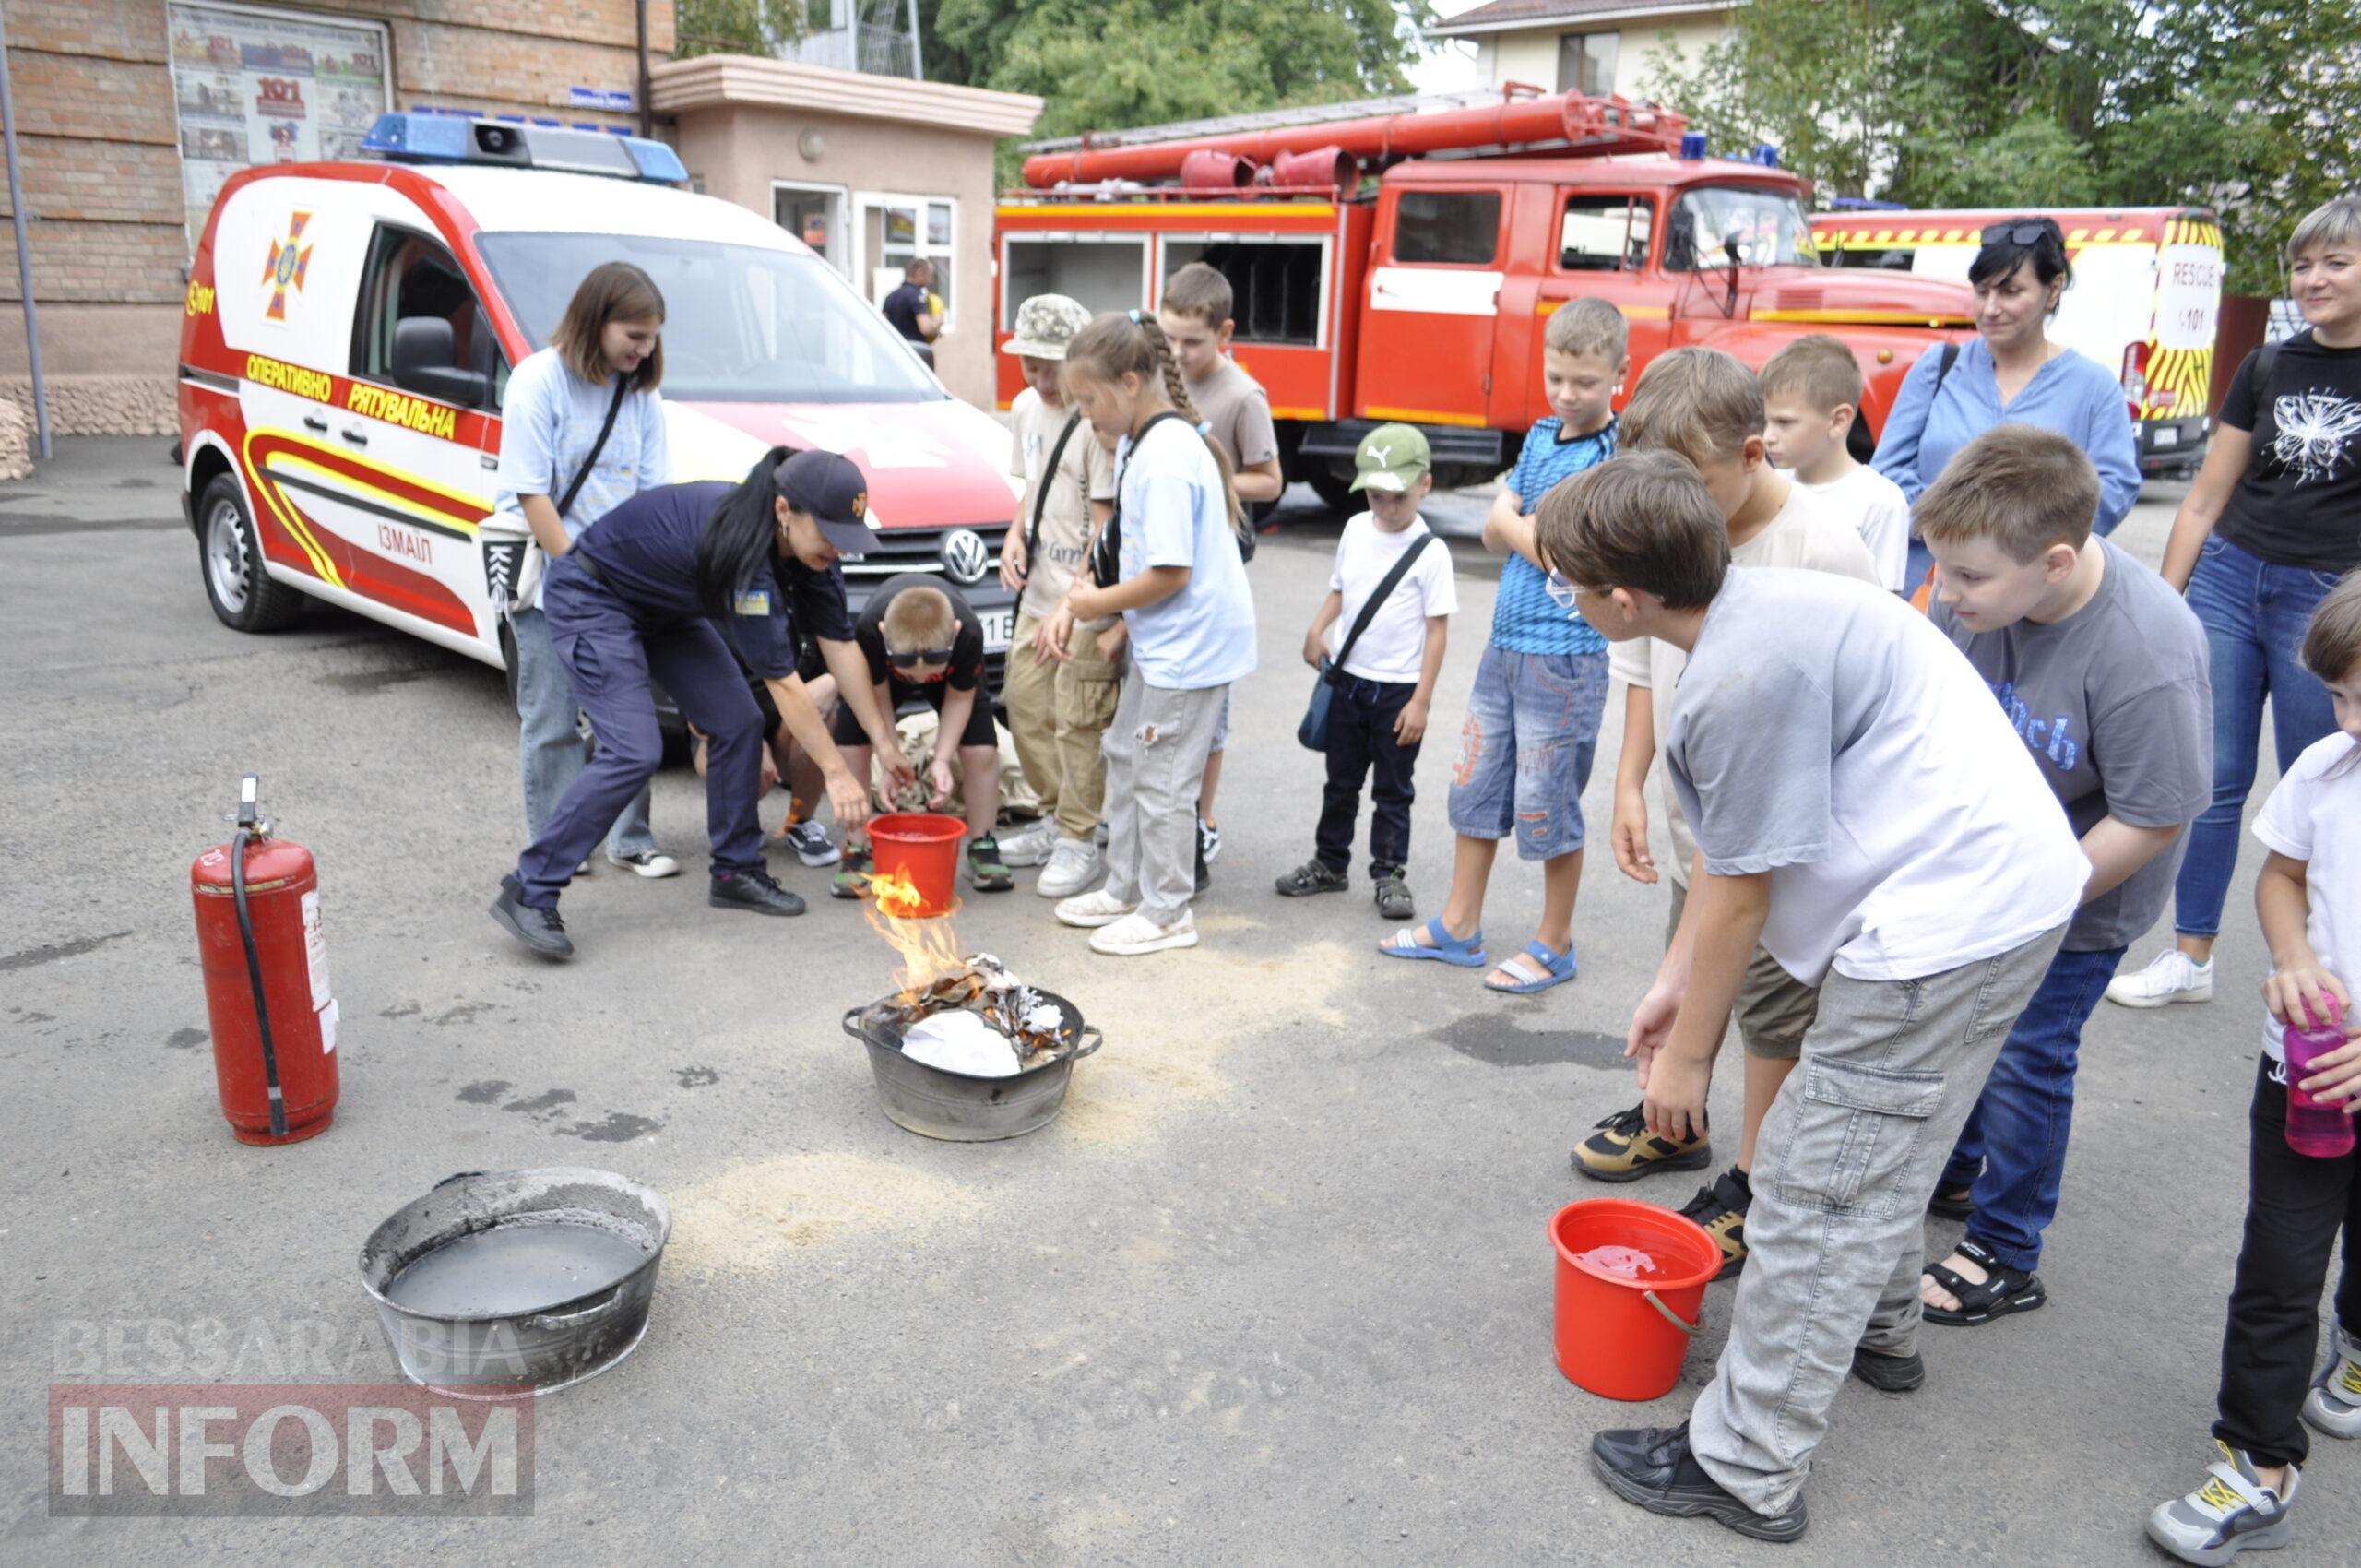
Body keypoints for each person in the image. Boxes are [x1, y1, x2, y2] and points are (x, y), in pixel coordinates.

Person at [1540, 452, 2086, 1543]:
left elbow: (1741, 890)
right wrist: (1670, 986)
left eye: (1570, 585)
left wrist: (1690, 1056)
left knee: (1813, 1187)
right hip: (1994, 896)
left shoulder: (1741, 678)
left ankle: (1744, 1462)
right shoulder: (1767, 607)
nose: (1566, 597)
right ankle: (1881, 1330)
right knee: (1871, 1141)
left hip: (1947, 925)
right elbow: (1742, 856)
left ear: (1627, 599)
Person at [1571, 350, 1882, 1284]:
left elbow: (1843, 714)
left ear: (1751, 454)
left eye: (1688, 478)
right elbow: (1637, 661)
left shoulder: (1822, 550)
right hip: (1700, 824)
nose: (1672, 498)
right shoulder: (1666, 526)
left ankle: (1755, 1174)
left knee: (1772, 1009)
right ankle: (1680, 1118)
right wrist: (1630, 781)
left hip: (1780, 841)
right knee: (1691, 960)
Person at [1908, 424, 2211, 1326]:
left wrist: (2028, 898)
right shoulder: (1969, 588)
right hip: (1986, 863)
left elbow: (2153, 814)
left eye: (1968, 580)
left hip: (2082, 890)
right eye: (1940, 570)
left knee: (2028, 1053)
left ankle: (2006, 1248)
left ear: (2054, 560)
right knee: (1965, 1027)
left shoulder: (2148, 648)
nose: (1947, 595)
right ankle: (1956, 1172)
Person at [2147, 573, 2361, 1567]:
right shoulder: (2325, 766)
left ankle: (2355, 1348)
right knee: (2278, 1265)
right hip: (2307, 1071)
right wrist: (2292, 957)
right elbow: (2280, 872)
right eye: (2341, 696)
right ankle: (2256, 1463)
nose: (2346, 718)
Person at [2110, 196, 2361, 1012]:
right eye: (2303, 265)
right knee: (2212, 777)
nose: (2313, 279)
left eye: (2336, 262)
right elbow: (2201, 501)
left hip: (2326, 601)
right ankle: (2192, 955)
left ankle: (2324, 969)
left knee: (2318, 783)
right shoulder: (2267, 366)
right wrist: (2161, 609)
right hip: (2229, 578)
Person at [490, 449, 879, 959]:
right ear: (784, 511)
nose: (838, 549)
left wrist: (886, 745)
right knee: (634, 750)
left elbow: (842, 647)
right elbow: (783, 684)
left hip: (663, 607)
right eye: (830, 533)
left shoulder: (812, 556)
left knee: (737, 720)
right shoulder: (748, 555)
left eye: (845, 537)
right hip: (594, 596)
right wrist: (837, 773)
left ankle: (736, 870)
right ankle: (529, 888)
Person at [1377, 297, 1624, 992]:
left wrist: (1518, 520)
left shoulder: (1616, 453)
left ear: (1618, 375)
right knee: (1474, 785)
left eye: (1584, 381)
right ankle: (1459, 925)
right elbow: (1496, 532)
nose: (1568, 395)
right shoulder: (1542, 434)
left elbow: (1567, 555)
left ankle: (1555, 942)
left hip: (1567, 655)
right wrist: (1525, 526)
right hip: (1506, 643)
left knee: (1549, 801)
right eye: (1556, 378)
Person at [1051, 310, 1256, 956]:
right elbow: (1127, 541)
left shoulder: (1165, 455)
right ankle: (1125, 888)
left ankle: (1168, 910)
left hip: (1188, 650)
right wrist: (1108, 613)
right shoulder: (1146, 440)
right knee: (1124, 752)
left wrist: (1096, 606)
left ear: (1131, 382)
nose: (1087, 416)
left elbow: (1170, 571)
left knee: (1164, 777)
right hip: (1162, 643)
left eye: (1089, 400)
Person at [481, 262, 678, 881]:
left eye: (651, 338)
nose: (645, 350)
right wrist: (574, 574)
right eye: (635, 337)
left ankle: (630, 838)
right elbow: (530, 492)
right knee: (553, 718)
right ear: (597, 322)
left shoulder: (641, 392)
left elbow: (652, 494)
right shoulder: (537, 381)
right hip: (549, 575)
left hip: (619, 581)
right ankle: (559, 846)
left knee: (628, 719)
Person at [1873, 216, 2142, 588]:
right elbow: (1886, 471)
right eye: (1982, 291)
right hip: (1928, 592)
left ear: (2053, 290)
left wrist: (2020, 541)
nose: (1990, 308)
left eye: (2010, 291)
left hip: (2034, 600)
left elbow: (2113, 490)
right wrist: (1952, 529)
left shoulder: (2094, 387)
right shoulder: (1939, 367)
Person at [1274, 423, 1456, 920]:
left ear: (1425, 484)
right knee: (1340, 782)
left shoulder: (1431, 552)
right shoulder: (1356, 529)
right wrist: (1318, 628)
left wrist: (1421, 701)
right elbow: (1342, 588)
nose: (1386, 507)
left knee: (1394, 790)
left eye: (1396, 496)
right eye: (1375, 495)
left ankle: (1389, 874)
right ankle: (1330, 863)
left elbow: (1437, 631)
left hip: (1398, 693)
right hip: (1349, 681)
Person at [1159, 261, 1284, 882]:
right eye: (1170, 337)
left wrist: (1204, 477)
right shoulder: (1158, 378)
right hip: (1165, 560)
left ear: (1224, 332)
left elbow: (1270, 479)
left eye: (1193, 342)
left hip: (1214, 573)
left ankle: (1200, 822)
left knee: (1211, 706)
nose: (1179, 353)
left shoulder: (1242, 396)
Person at [995, 293, 1120, 900]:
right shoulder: (1023, 408)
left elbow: (1105, 520)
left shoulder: (1095, 422)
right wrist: (1014, 535)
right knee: (1023, 702)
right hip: (1039, 588)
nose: (1041, 380)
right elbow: (1033, 487)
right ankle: (1051, 817)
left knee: (1078, 719)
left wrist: (1077, 602)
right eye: (1031, 366)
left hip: (1087, 599)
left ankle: (1078, 837)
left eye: (1052, 367)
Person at [827, 574, 1014, 897]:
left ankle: (983, 842)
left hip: (953, 683)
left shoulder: (967, 632)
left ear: (953, 634)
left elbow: (959, 698)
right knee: (853, 746)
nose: (920, 679)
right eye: (910, 670)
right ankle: (856, 848)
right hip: (882, 680)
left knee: (981, 751)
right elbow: (877, 697)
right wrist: (889, 758)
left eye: (930, 670)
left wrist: (942, 760)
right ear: (885, 635)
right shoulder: (870, 631)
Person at [1759, 333, 1913, 592]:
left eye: (1784, 423)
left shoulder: (1880, 502)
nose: (1767, 437)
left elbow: (1884, 604)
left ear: (1839, 420)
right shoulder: (1772, 486)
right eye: (1765, 422)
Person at [881, 259, 941, 345]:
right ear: (919, 272)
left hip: (893, 349)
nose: (930, 281)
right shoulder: (917, 296)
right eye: (930, 275)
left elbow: (883, 326)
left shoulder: (890, 296)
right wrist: (937, 320)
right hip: (913, 350)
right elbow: (925, 329)